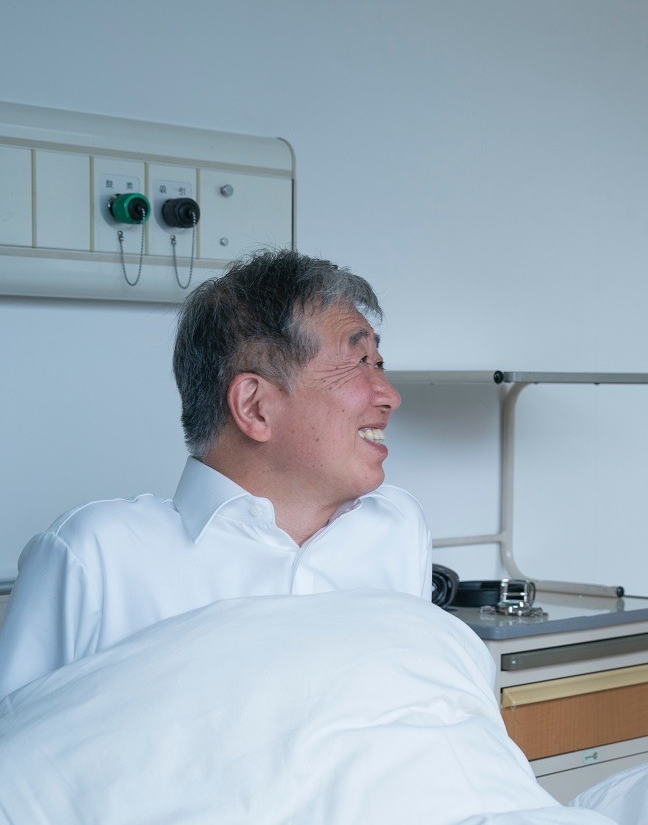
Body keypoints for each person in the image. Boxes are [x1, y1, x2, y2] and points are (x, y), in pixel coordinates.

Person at [0, 249, 431, 699]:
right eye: (359, 362)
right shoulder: (95, 558)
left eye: (378, 364)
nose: (390, 396)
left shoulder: (395, 528)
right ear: (255, 407)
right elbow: (20, 740)